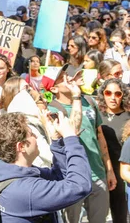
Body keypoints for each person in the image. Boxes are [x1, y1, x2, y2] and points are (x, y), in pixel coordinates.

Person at [0, 112, 92, 222]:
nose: (36, 136)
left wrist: (56, 140)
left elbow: (58, 176)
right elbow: (80, 185)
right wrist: (71, 138)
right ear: (21, 146)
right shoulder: (25, 190)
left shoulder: (5, 170)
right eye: (32, 134)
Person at [47, 63, 115, 223]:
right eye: (61, 78)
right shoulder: (53, 110)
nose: (68, 78)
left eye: (66, 74)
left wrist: (109, 170)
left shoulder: (90, 102)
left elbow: (100, 137)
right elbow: (72, 130)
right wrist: (76, 97)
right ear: (54, 89)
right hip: (72, 178)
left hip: (97, 175)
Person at [96, 79, 130, 223]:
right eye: (108, 93)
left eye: (118, 94)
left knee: (120, 215)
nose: (113, 97)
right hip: (99, 171)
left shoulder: (128, 118)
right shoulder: (97, 116)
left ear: (123, 96)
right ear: (103, 94)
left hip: (120, 173)